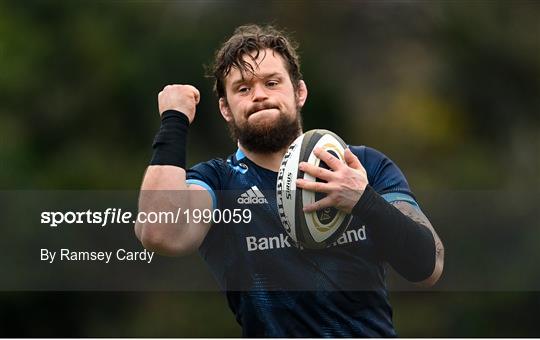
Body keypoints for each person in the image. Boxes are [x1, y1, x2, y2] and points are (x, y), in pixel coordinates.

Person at [135, 24, 444, 337]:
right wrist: (174, 121)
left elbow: (428, 267)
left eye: (272, 82)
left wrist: (364, 200)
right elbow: (161, 232)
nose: (259, 95)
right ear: (225, 109)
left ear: (300, 92)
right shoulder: (219, 182)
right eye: (243, 89)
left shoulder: (362, 165)